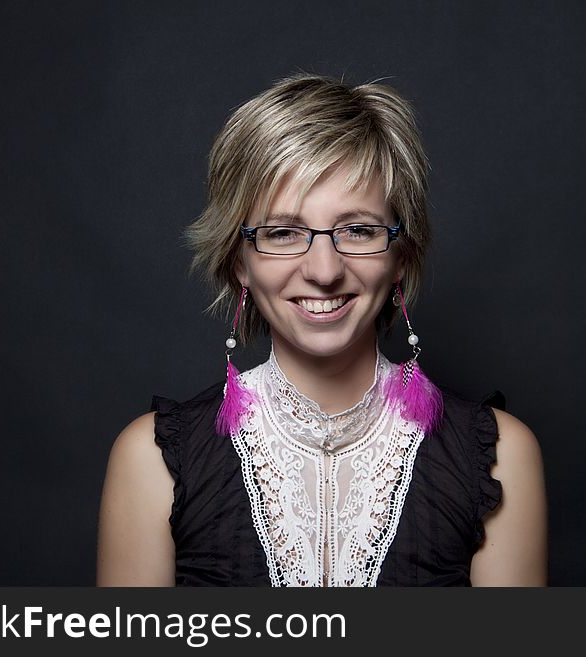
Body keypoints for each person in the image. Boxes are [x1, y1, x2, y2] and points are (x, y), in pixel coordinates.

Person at [96, 73, 547, 586]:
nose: (324, 270)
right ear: (239, 259)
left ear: (401, 254)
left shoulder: (500, 457)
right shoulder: (151, 461)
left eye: (358, 230)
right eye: (283, 233)